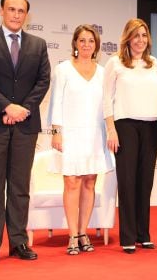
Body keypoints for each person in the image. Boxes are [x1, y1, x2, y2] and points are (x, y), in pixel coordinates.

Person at [0, 0, 51, 264]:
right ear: (2, 11)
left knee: (19, 187)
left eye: (21, 10)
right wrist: (7, 107)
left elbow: (43, 81)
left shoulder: (38, 44)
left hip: (26, 125)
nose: (16, 14)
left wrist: (22, 110)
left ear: (26, 14)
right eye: (12, 9)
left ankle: (18, 242)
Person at [47, 24, 115, 255]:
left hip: (95, 135)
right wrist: (56, 132)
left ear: (96, 45)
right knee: (71, 182)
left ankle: (84, 232)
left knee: (89, 182)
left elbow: (108, 105)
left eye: (91, 41)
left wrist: (110, 130)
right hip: (70, 134)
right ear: (75, 43)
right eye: (82, 40)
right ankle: (72, 235)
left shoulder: (104, 72)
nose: (86, 45)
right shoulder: (63, 69)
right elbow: (55, 102)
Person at [103, 18, 157, 254]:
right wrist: (111, 128)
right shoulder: (116, 63)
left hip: (150, 126)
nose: (140, 40)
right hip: (125, 126)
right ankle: (128, 236)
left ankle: (143, 234)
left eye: (144, 35)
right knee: (128, 182)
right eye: (136, 35)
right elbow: (106, 98)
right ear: (127, 38)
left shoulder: (154, 63)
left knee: (145, 183)